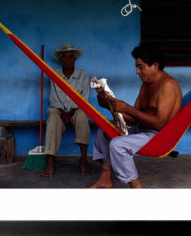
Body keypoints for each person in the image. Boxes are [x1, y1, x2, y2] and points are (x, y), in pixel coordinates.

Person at [89, 44, 182, 188]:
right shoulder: (145, 86)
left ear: (155, 66)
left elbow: (160, 124)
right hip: (142, 129)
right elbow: (133, 118)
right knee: (104, 131)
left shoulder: (168, 85)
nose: (137, 72)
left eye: (141, 67)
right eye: (137, 67)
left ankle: (137, 186)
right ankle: (105, 177)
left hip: (158, 137)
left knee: (117, 144)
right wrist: (109, 106)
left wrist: (127, 108)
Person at [41, 43, 93, 178]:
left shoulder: (83, 74)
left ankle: (83, 160)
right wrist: (63, 112)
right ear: (61, 59)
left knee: (82, 115)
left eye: (71, 57)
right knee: (52, 118)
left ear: (75, 58)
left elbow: (84, 99)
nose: (68, 60)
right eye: (65, 57)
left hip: (76, 109)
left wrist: (70, 112)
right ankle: (50, 160)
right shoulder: (54, 75)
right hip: (59, 110)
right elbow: (53, 98)